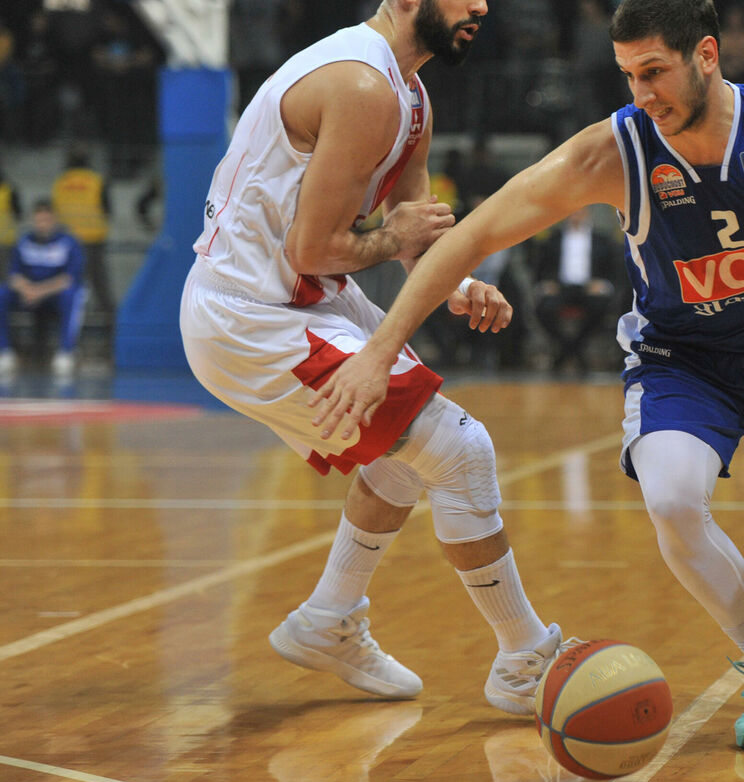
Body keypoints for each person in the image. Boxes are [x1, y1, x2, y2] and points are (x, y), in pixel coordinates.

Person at [308, 0, 744, 751]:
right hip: (681, 357)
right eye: (628, 75)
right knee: (671, 500)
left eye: (655, 72)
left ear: (707, 55)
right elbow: (472, 236)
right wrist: (380, 350)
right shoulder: (615, 151)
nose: (642, 93)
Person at [178, 0, 564, 713]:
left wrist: (458, 284)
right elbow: (314, 247)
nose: (481, 5)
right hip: (253, 313)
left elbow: (412, 226)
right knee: (461, 451)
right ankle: (525, 657)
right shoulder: (359, 84)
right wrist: (396, 240)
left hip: (309, 299)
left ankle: (328, 619)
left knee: (407, 458)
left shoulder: (409, 93)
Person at [0, 199, 86, 378]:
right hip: (27, 295)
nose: (42, 225)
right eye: (38, 220)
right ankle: (4, 352)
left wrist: (39, 291)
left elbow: (69, 279)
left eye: (46, 220)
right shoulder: (24, 241)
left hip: (54, 295)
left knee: (74, 294)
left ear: (54, 219)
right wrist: (27, 290)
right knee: (2, 293)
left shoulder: (69, 242)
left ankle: (66, 352)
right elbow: (13, 275)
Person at [531, 207, 621, 374]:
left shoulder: (601, 239)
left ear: (587, 214)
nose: (576, 216)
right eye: (573, 212)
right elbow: (541, 269)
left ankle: (567, 351)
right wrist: (548, 283)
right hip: (560, 288)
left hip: (589, 289)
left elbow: (613, 270)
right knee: (543, 308)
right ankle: (573, 350)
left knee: (602, 308)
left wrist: (602, 283)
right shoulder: (553, 238)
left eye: (580, 212)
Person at [52, 143, 115, 315]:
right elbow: (107, 209)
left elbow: (55, 209)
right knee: (99, 279)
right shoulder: (97, 180)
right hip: (93, 237)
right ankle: (108, 314)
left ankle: (67, 311)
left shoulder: (60, 181)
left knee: (69, 278)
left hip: (68, 239)